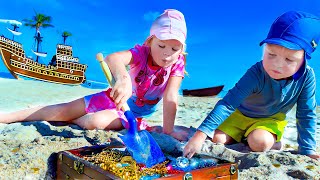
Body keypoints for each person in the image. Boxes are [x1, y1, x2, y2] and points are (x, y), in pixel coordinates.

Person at [0, 9, 188, 140]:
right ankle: (10, 116)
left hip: (133, 116)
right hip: (112, 98)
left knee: (95, 121)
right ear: (150, 41)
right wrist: (123, 79)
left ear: (181, 49)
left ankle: (67, 119)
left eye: (174, 48)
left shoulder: (177, 63)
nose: (167, 53)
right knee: (63, 109)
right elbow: (113, 59)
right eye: (161, 45)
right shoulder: (142, 53)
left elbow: (171, 97)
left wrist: (169, 131)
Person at [183, 11, 320, 161]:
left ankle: (271, 141)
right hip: (240, 115)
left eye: (289, 59)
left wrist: (307, 149)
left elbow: (306, 113)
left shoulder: (307, 77)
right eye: (271, 54)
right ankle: (244, 136)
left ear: (304, 59)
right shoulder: (256, 73)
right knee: (218, 139)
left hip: (270, 120)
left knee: (259, 143)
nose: (277, 65)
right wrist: (200, 134)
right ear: (264, 48)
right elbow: (228, 103)